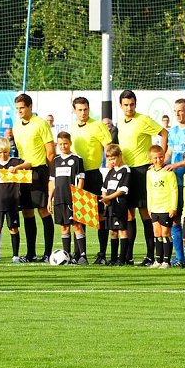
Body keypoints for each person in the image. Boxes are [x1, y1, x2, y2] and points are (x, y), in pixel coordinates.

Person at [117, 90, 168, 266]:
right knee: (129, 214)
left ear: (135, 104)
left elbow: (163, 133)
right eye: (125, 105)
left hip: (141, 171)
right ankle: (129, 256)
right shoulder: (120, 123)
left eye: (131, 104)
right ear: (121, 106)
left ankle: (150, 256)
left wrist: (161, 158)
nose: (129, 107)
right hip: (126, 172)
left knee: (145, 213)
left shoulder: (143, 119)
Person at [11, 93, 56, 262]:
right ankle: (30, 253)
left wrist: (51, 176)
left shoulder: (41, 123)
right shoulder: (16, 126)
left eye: (22, 107)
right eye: (17, 108)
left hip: (39, 171)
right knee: (27, 212)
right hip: (23, 172)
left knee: (43, 209)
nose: (20, 111)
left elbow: (50, 152)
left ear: (30, 107)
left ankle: (47, 253)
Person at [70, 97, 112, 263]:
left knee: (100, 215)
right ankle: (80, 254)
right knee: (79, 216)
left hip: (94, 175)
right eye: (79, 110)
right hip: (78, 176)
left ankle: (102, 254)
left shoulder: (97, 125)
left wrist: (110, 172)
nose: (83, 112)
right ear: (74, 111)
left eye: (85, 109)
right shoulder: (73, 128)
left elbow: (109, 148)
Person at [164, 98, 185, 267]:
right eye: (175, 110)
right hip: (175, 182)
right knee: (175, 219)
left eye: (181, 110)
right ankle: (180, 258)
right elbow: (169, 151)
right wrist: (160, 164)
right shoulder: (173, 130)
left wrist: (177, 164)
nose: (177, 114)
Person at [0, 137, 30, 263]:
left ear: (9, 150)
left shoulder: (15, 161)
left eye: (5, 152)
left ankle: (15, 255)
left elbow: (29, 164)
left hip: (13, 202)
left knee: (13, 228)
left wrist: (17, 168)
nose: (3, 155)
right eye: (0, 152)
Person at [47, 132, 86, 263]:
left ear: (70, 143)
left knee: (77, 225)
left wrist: (78, 197)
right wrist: (49, 199)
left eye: (65, 143)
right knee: (64, 227)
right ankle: (67, 256)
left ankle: (82, 256)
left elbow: (81, 179)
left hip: (72, 198)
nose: (63, 146)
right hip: (59, 199)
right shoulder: (56, 161)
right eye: (60, 144)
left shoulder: (76, 159)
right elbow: (52, 181)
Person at [145, 144, 177, 269]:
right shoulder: (150, 173)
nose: (158, 160)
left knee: (165, 233)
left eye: (161, 157)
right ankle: (158, 260)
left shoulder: (168, 172)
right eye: (155, 158)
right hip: (155, 207)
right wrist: (149, 207)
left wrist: (173, 207)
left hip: (166, 207)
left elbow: (174, 190)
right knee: (157, 233)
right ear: (151, 159)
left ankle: (166, 261)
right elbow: (149, 190)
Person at [100, 143, 130, 266]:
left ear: (120, 155)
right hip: (110, 206)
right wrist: (104, 197)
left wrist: (108, 198)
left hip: (119, 205)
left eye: (114, 158)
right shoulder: (111, 171)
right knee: (113, 231)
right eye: (110, 159)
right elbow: (104, 187)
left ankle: (122, 259)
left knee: (122, 230)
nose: (112, 161)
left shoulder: (125, 170)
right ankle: (113, 258)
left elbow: (123, 190)